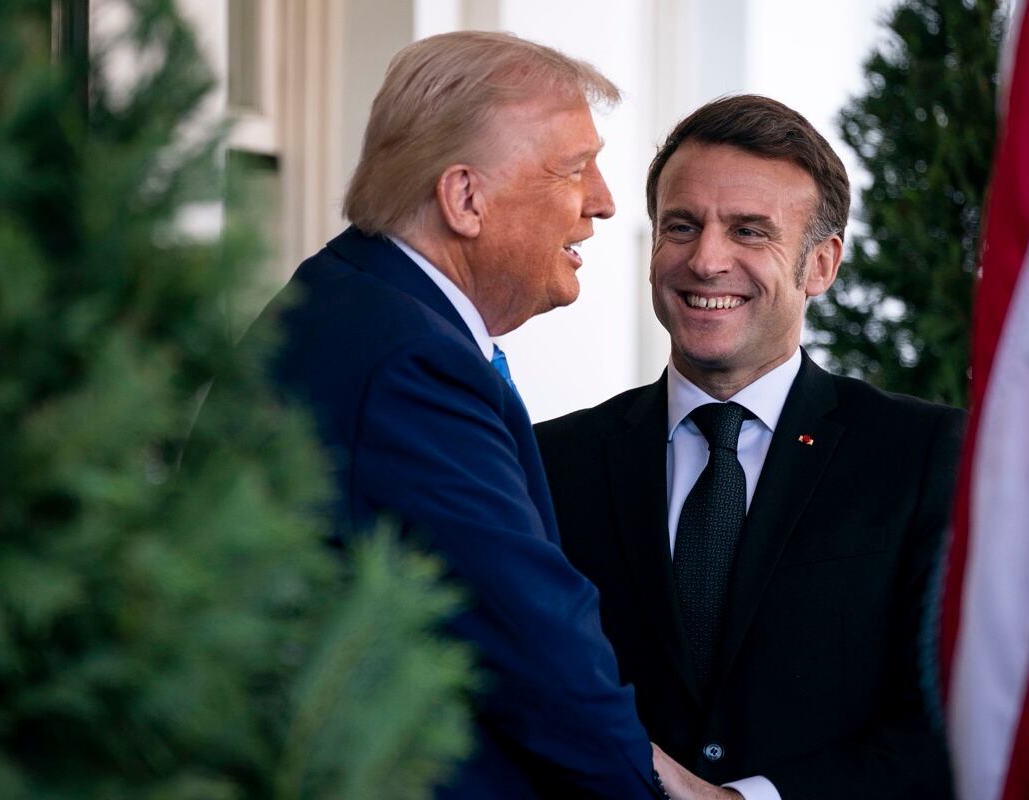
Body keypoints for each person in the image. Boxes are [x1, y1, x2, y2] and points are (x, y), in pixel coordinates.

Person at [232, 30, 718, 799]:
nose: (604, 202)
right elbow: (531, 637)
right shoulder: (408, 362)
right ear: (465, 199)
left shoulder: (365, 304)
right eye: (574, 168)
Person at [535, 95, 963, 800]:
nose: (706, 260)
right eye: (681, 226)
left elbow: (951, 727)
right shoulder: (552, 462)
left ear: (820, 265)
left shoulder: (923, 457)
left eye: (749, 232)